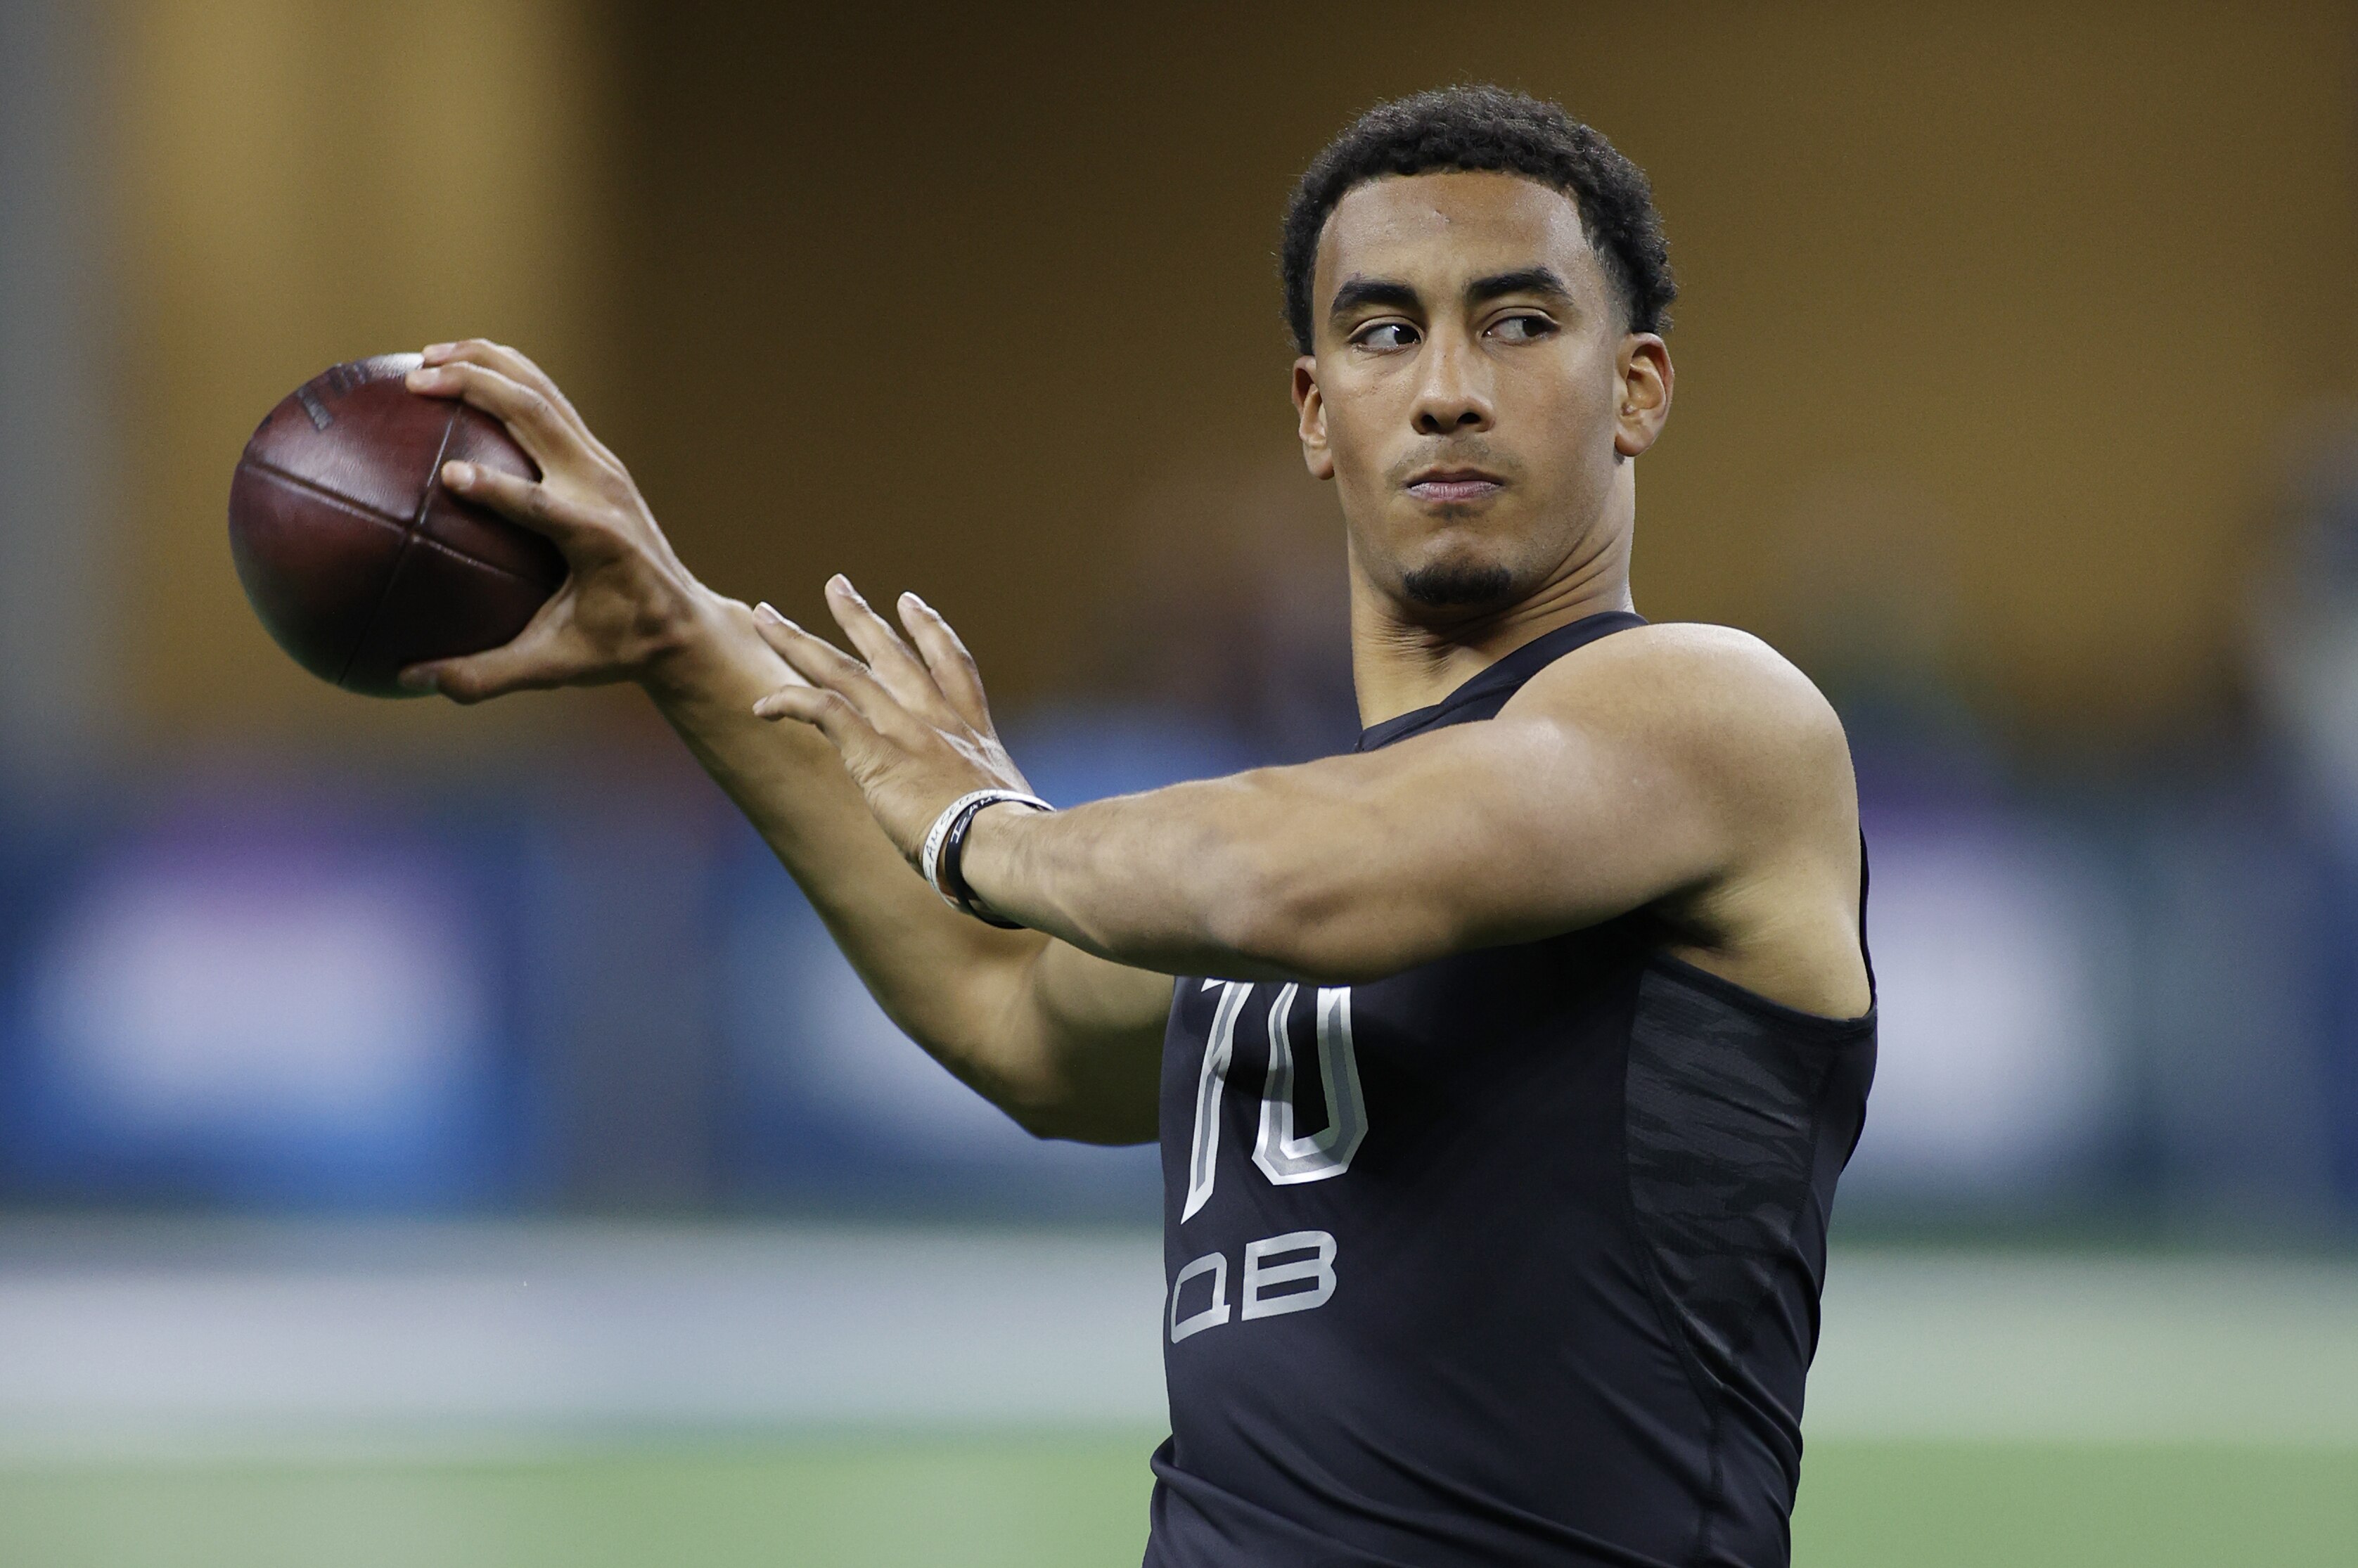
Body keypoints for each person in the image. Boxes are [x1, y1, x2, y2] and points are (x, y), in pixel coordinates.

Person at [399, 84, 1875, 1568]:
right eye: (1382, 332)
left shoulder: (1712, 718)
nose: (1444, 388)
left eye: (1517, 322)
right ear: (1316, 412)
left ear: (1637, 388)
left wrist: (983, 828)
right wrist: (678, 636)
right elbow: (1008, 1006)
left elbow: (1282, 882)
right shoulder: (1327, 829)